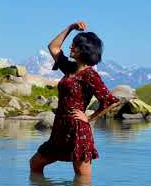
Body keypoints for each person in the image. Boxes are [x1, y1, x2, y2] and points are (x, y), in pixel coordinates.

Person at [29, 21, 121, 176]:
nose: (70, 47)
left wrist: (89, 118)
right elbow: (53, 47)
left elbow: (110, 100)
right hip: (60, 130)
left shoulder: (90, 74)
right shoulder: (70, 68)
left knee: (82, 179)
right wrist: (71, 28)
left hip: (78, 130)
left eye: (74, 45)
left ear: (84, 50)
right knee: (35, 164)